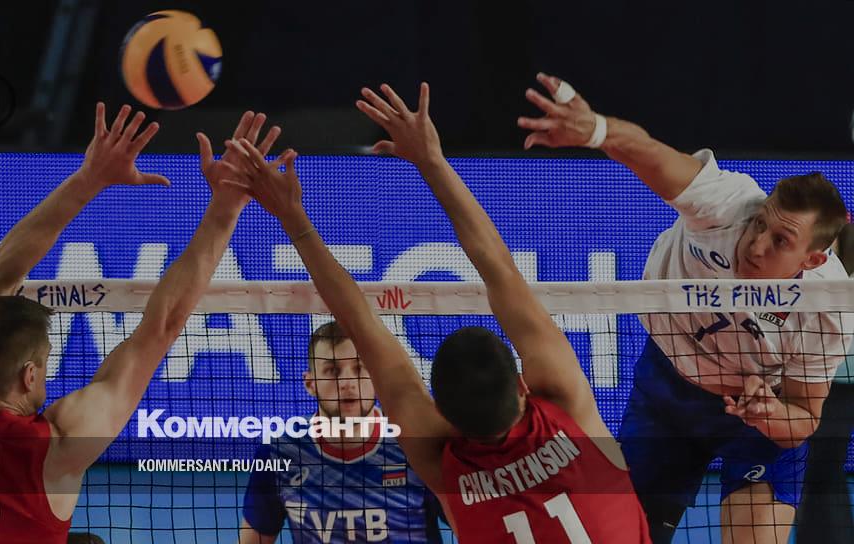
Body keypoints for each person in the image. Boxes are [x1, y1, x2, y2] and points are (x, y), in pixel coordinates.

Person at [224, 82, 650, 543]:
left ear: (442, 412)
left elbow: (362, 325)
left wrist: (293, 217)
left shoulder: (441, 466)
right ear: (522, 385)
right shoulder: (570, 411)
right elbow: (499, 268)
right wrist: (432, 160)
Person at [0, 105, 280, 543]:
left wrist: (88, 179)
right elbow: (161, 326)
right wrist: (226, 207)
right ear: (29, 375)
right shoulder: (56, 449)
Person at [517, 72, 851, 543]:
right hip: (669, 393)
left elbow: (803, 419)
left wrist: (768, 414)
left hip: (758, 409)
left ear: (811, 259)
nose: (756, 245)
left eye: (780, 241)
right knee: (623, 537)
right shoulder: (726, 205)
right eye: (761, 224)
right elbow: (651, 153)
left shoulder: (827, 305)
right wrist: (595, 130)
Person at [238, 320, 444, 543]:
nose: (347, 382)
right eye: (332, 371)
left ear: (376, 377)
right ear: (310, 384)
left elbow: (465, 528)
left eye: (359, 368)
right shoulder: (279, 452)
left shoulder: (415, 443)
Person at [796, 223, 854, 543]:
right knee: (823, 467)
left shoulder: (824, 275)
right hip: (829, 380)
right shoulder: (822, 271)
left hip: (833, 381)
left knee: (822, 468)